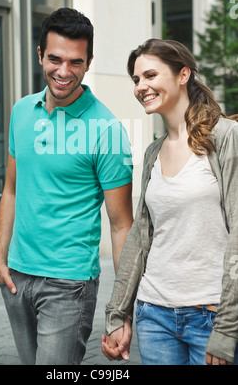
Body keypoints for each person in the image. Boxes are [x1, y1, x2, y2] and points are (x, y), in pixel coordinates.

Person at [0, 7, 133, 365]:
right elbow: (11, 189)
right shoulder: (21, 112)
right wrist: (0, 258)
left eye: (76, 62)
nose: (64, 71)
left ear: (88, 63)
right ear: (40, 54)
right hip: (16, 276)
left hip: (68, 285)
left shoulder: (107, 130)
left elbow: (121, 225)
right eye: (55, 59)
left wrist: (122, 309)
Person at [102, 38, 238, 365]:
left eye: (150, 75)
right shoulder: (153, 152)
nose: (141, 86)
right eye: (136, 79)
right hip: (154, 314)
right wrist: (118, 314)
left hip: (210, 314)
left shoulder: (225, 137)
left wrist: (227, 328)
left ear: (183, 75)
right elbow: (139, 238)